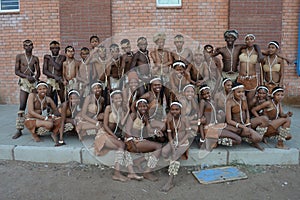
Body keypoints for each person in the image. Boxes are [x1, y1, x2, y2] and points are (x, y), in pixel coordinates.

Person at [94, 90, 143, 182]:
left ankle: (131, 172)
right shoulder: (108, 108)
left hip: (113, 136)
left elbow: (122, 124)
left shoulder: (121, 110)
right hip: (104, 135)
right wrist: (114, 137)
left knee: (125, 146)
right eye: (116, 98)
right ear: (112, 99)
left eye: (120, 98)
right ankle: (116, 174)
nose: (118, 100)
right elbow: (105, 126)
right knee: (121, 145)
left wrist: (128, 110)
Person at [124, 99, 163, 181]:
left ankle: (138, 161)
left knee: (159, 147)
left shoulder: (145, 117)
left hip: (140, 140)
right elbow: (127, 130)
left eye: (144, 106)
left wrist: (156, 131)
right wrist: (131, 143)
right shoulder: (133, 115)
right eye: (140, 106)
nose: (143, 108)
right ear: (137, 107)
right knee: (158, 147)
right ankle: (147, 172)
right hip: (132, 141)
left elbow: (149, 130)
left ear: (147, 107)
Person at [161, 102, 192, 192]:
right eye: (172, 109)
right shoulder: (170, 120)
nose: (174, 111)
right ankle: (170, 168)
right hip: (174, 142)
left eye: (177, 109)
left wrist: (179, 144)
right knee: (164, 152)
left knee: (175, 156)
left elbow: (188, 134)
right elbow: (169, 134)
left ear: (180, 110)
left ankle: (170, 182)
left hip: (183, 142)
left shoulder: (185, 119)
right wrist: (172, 144)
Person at [198, 85, 241, 150]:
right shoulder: (203, 102)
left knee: (237, 130)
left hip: (216, 125)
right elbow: (200, 120)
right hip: (209, 128)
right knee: (238, 140)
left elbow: (214, 111)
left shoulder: (212, 101)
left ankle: (214, 139)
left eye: (208, 93)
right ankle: (214, 141)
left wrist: (219, 112)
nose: (206, 95)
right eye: (204, 94)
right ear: (201, 95)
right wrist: (202, 138)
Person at [13, 39, 41, 139]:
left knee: (35, 105)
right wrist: (26, 77)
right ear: (23, 47)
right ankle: (19, 129)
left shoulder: (35, 58)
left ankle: (36, 128)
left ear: (33, 46)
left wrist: (35, 78)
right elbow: (16, 71)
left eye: (30, 45)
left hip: (33, 82)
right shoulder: (19, 57)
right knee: (22, 105)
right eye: (26, 45)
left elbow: (38, 72)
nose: (28, 47)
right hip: (24, 82)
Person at [225, 82, 264, 150]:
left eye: (243, 92)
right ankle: (248, 137)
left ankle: (251, 139)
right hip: (237, 126)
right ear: (233, 92)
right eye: (238, 92)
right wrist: (242, 126)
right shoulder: (229, 102)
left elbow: (246, 110)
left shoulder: (243, 98)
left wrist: (248, 119)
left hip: (245, 123)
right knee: (258, 138)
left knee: (264, 119)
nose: (241, 94)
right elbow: (229, 120)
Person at [237, 34, 260, 102]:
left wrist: (286, 58)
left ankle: (250, 112)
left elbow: (270, 52)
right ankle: (243, 112)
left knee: (250, 99)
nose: (249, 41)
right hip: (241, 78)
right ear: (245, 41)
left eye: (251, 39)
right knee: (241, 99)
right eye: (247, 39)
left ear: (254, 40)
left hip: (252, 78)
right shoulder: (241, 50)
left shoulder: (257, 52)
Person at [43, 40, 66, 105]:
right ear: (50, 49)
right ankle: (50, 111)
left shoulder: (62, 57)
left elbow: (58, 68)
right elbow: (44, 71)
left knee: (62, 97)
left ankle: (64, 110)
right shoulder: (46, 58)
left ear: (59, 49)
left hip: (59, 80)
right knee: (49, 96)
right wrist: (54, 77)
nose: (55, 50)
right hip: (50, 80)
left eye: (56, 48)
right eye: (53, 48)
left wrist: (50, 59)